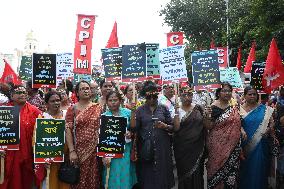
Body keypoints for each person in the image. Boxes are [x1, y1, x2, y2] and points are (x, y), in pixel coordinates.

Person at [135, 81, 174, 189]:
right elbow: (135, 129)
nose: (152, 99)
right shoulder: (139, 110)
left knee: (163, 176)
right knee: (148, 178)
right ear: (144, 96)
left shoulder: (164, 108)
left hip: (162, 148)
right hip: (146, 149)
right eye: (149, 97)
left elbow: (173, 127)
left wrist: (164, 126)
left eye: (154, 96)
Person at [0, 85, 41, 189]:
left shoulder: (35, 111)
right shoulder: (4, 111)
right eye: (19, 92)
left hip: (28, 155)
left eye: (24, 92)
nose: (22, 94)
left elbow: (42, 132)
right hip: (8, 155)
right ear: (12, 96)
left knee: (27, 182)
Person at [206, 82, 244, 189]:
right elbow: (209, 126)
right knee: (216, 170)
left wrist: (242, 130)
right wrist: (207, 115)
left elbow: (238, 122)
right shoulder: (212, 107)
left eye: (229, 91)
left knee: (231, 176)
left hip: (233, 147)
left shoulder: (234, 106)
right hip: (217, 147)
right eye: (224, 91)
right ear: (218, 93)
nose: (227, 93)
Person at [65, 81, 102, 189]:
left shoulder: (98, 108)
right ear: (77, 92)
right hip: (78, 151)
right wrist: (72, 151)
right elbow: (68, 130)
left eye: (88, 88)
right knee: (78, 181)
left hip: (95, 152)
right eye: (82, 89)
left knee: (94, 180)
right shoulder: (72, 109)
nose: (86, 90)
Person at [239, 86, 276, 189]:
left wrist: (268, 130)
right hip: (245, 145)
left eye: (254, 94)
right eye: (249, 94)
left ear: (257, 95)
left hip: (260, 144)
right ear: (244, 96)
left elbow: (272, 123)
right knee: (246, 169)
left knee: (259, 168)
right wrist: (241, 129)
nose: (252, 96)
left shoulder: (265, 109)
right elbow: (236, 125)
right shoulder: (238, 109)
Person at [172, 86, 207, 189]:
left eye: (190, 95)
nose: (187, 97)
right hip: (182, 149)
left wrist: (207, 116)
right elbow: (176, 128)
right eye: (184, 95)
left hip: (197, 147)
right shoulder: (175, 109)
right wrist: (176, 112)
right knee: (184, 174)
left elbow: (205, 125)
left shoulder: (198, 108)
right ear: (179, 97)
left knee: (197, 173)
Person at [102, 90, 137, 189]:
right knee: (111, 178)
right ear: (107, 102)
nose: (113, 102)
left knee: (125, 176)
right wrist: (104, 156)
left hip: (125, 151)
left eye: (115, 100)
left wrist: (130, 133)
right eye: (110, 100)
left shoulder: (128, 113)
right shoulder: (104, 116)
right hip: (109, 153)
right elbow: (102, 138)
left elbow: (133, 128)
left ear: (120, 101)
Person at [35, 91, 69, 189]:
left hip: (65, 158)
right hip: (49, 161)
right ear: (46, 104)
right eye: (52, 101)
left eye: (58, 100)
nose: (56, 103)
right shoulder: (42, 118)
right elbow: (36, 141)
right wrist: (43, 159)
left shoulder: (66, 115)